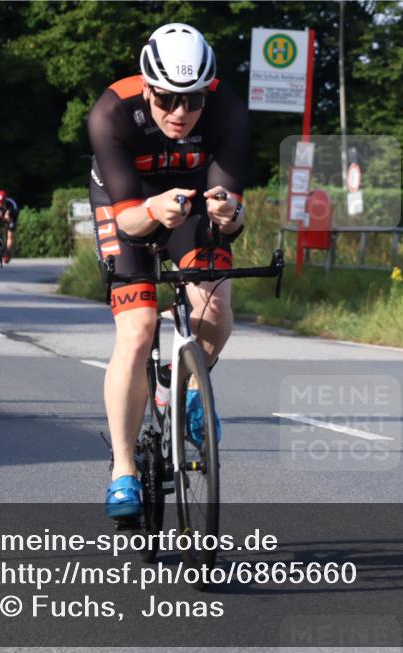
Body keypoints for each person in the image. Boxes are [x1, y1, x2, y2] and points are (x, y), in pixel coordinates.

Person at [87, 23, 248, 519]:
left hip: (192, 203)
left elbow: (235, 216)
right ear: (148, 86)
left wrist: (230, 214)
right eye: (168, 100)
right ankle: (122, 469)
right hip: (132, 204)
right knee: (136, 331)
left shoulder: (229, 110)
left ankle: (187, 390)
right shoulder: (111, 111)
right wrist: (155, 208)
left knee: (215, 306)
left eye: (193, 100)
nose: (181, 113)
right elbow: (131, 219)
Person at [0, 190, 19, 263]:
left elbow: (12, 215)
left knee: (10, 235)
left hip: (12, 218)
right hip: (2, 217)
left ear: (5, 200)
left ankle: (7, 253)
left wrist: (7, 216)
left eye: (2, 201)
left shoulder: (11, 204)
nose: (0, 203)